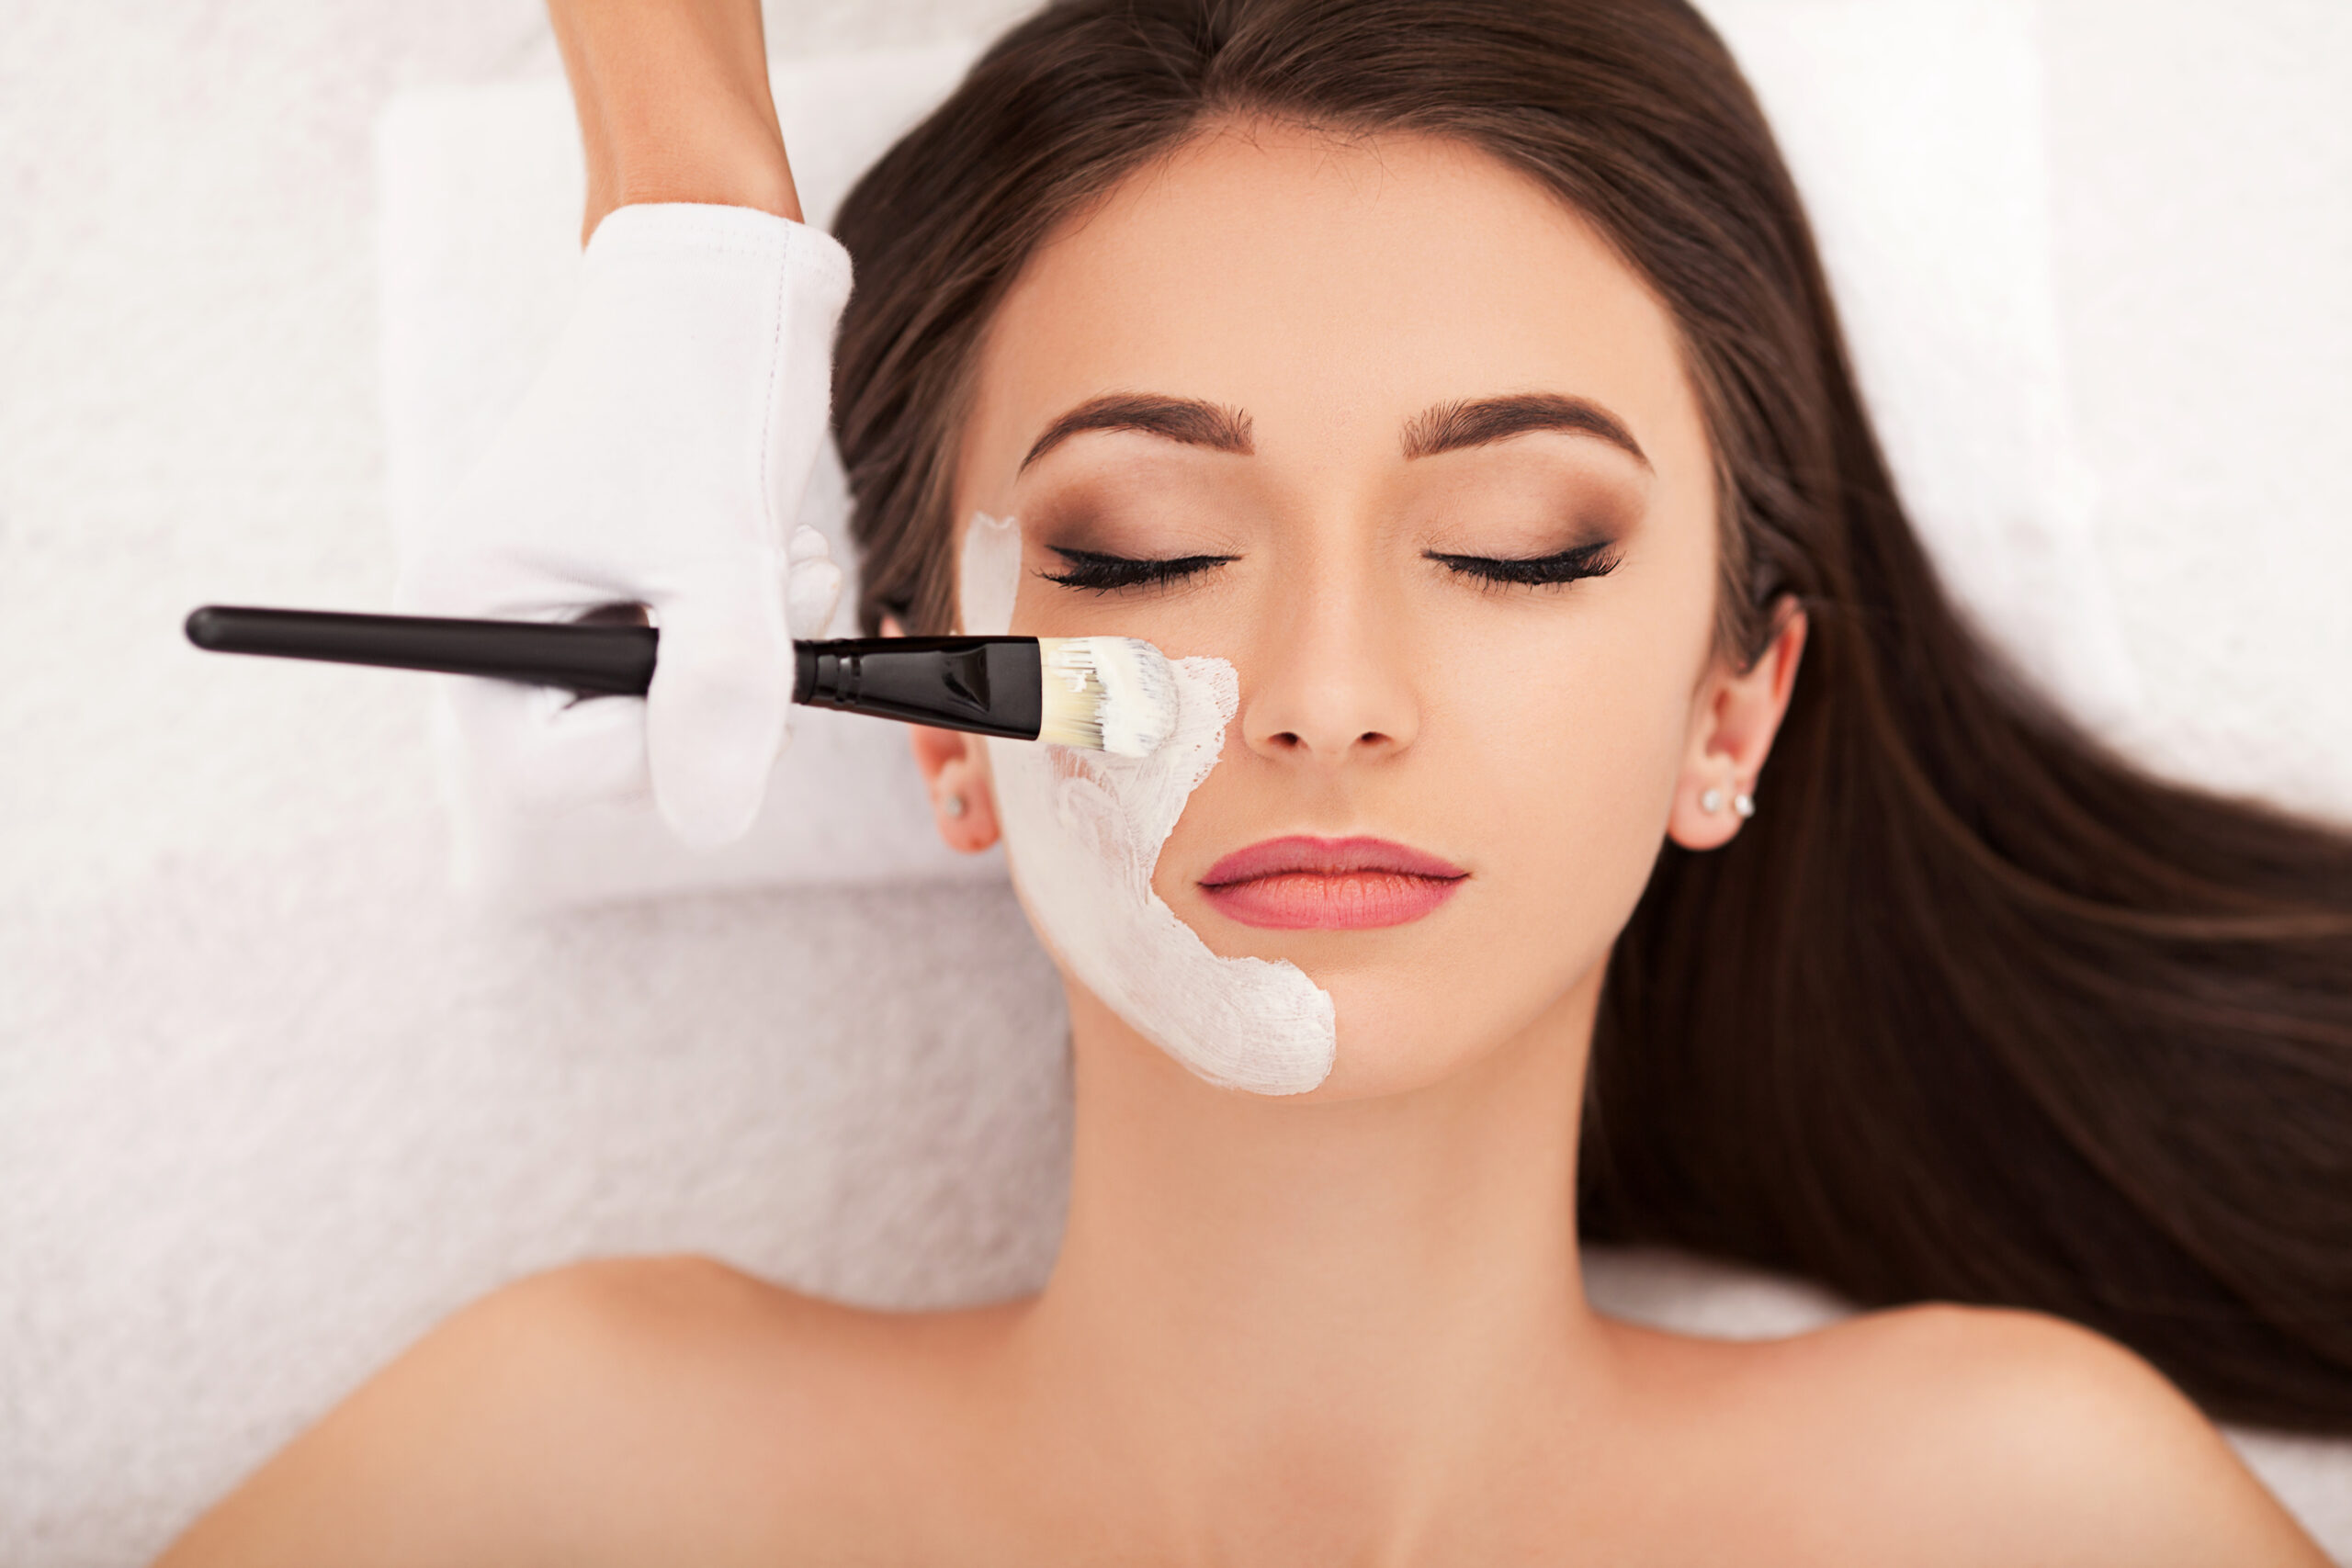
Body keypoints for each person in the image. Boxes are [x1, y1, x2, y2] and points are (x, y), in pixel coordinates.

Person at [159, 0, 2352, 1561]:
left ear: (1731, 709)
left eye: (1513, 544)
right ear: (939, 719)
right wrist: (683, 200)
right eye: (1134, 550)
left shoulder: (2008, 1509)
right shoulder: (569, 1474)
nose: (1318, 692)